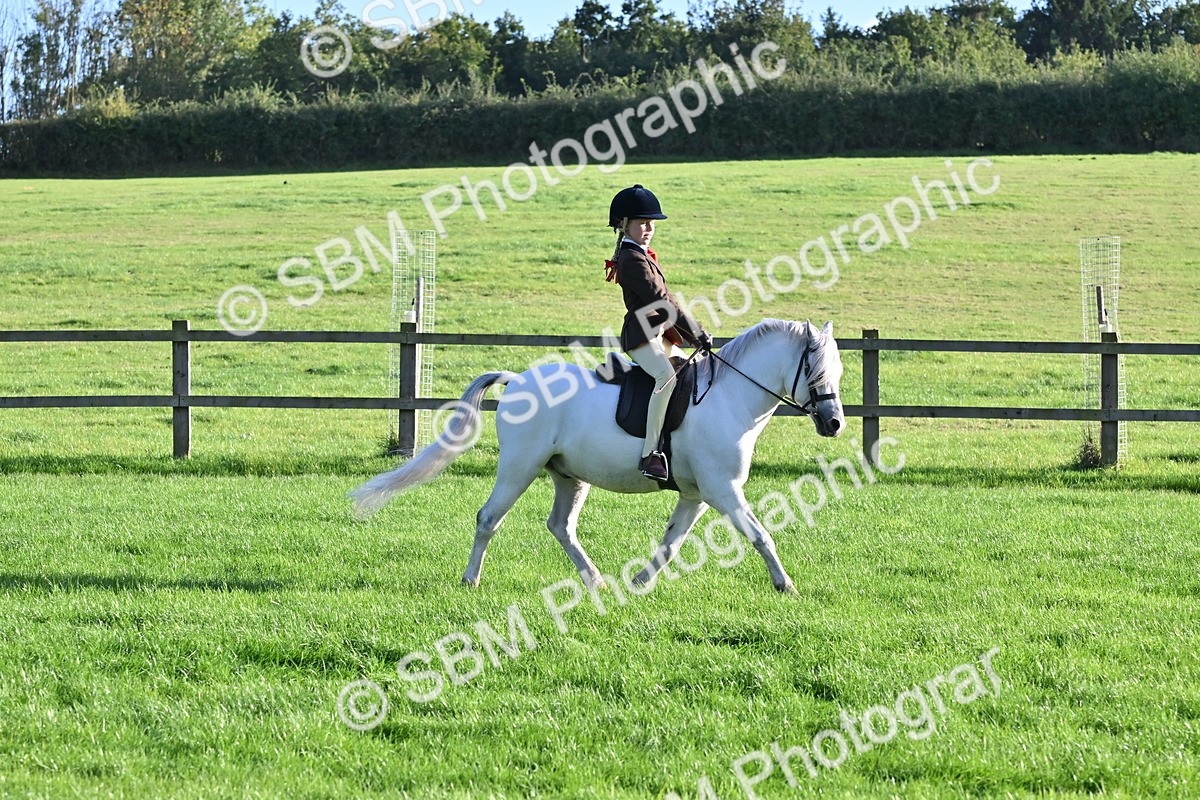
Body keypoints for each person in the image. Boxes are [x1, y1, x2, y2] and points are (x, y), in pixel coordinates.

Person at [605, 184, 714, 482]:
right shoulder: (631, 260)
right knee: (666, 377)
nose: (649, 228)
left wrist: (696, 334)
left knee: (691, 372)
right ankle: (649, 453)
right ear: (624, 225)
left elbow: (669, 298)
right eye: (642, 222)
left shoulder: (644, 255)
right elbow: (661, 301)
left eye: (652, 223)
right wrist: (695, 334)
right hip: (640, 336)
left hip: (660, 334)